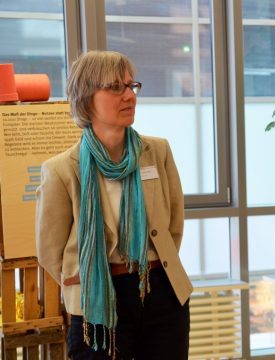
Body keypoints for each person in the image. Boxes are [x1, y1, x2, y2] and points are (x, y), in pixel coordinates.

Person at [36, 50, 192, 360]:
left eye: (132, 86)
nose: (129, 97)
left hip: (160, 289)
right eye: (116, 87)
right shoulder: (61, 170)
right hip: (98, 297)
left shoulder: (156, 151)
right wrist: (92, 278)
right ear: (86, 98)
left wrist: (146, 270)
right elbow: (50, 252)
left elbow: (173, 226)